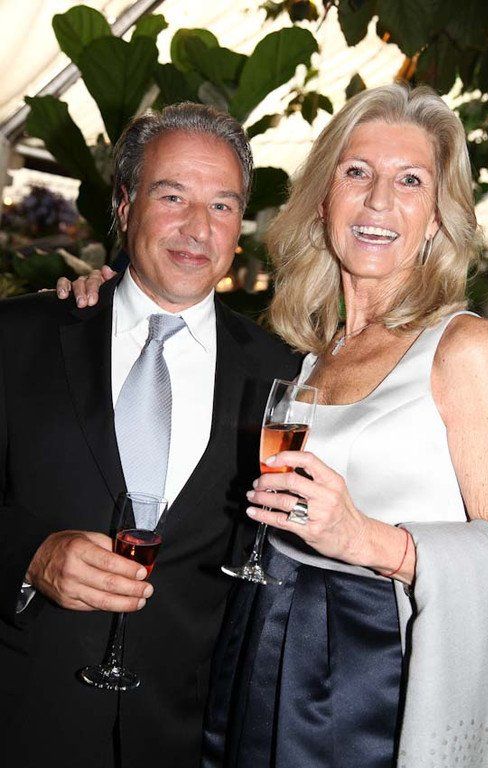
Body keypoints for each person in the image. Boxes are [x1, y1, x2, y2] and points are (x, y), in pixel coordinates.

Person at [195, 84, 488, 767]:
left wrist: (366, 539)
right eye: (357, 172)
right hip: (265, 637)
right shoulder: (313, 352)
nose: (378, 201)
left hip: (376, 669)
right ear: (323, 199)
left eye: (410, 181)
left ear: (437, 216)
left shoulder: (464, 347)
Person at [0, 102, 300, 768]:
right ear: (125, 204)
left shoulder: (279, 373)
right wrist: (28, 556)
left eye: (222, 206)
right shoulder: (18, 338)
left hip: (182, 738)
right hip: (21, 720)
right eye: (172, 196)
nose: (198, 228)